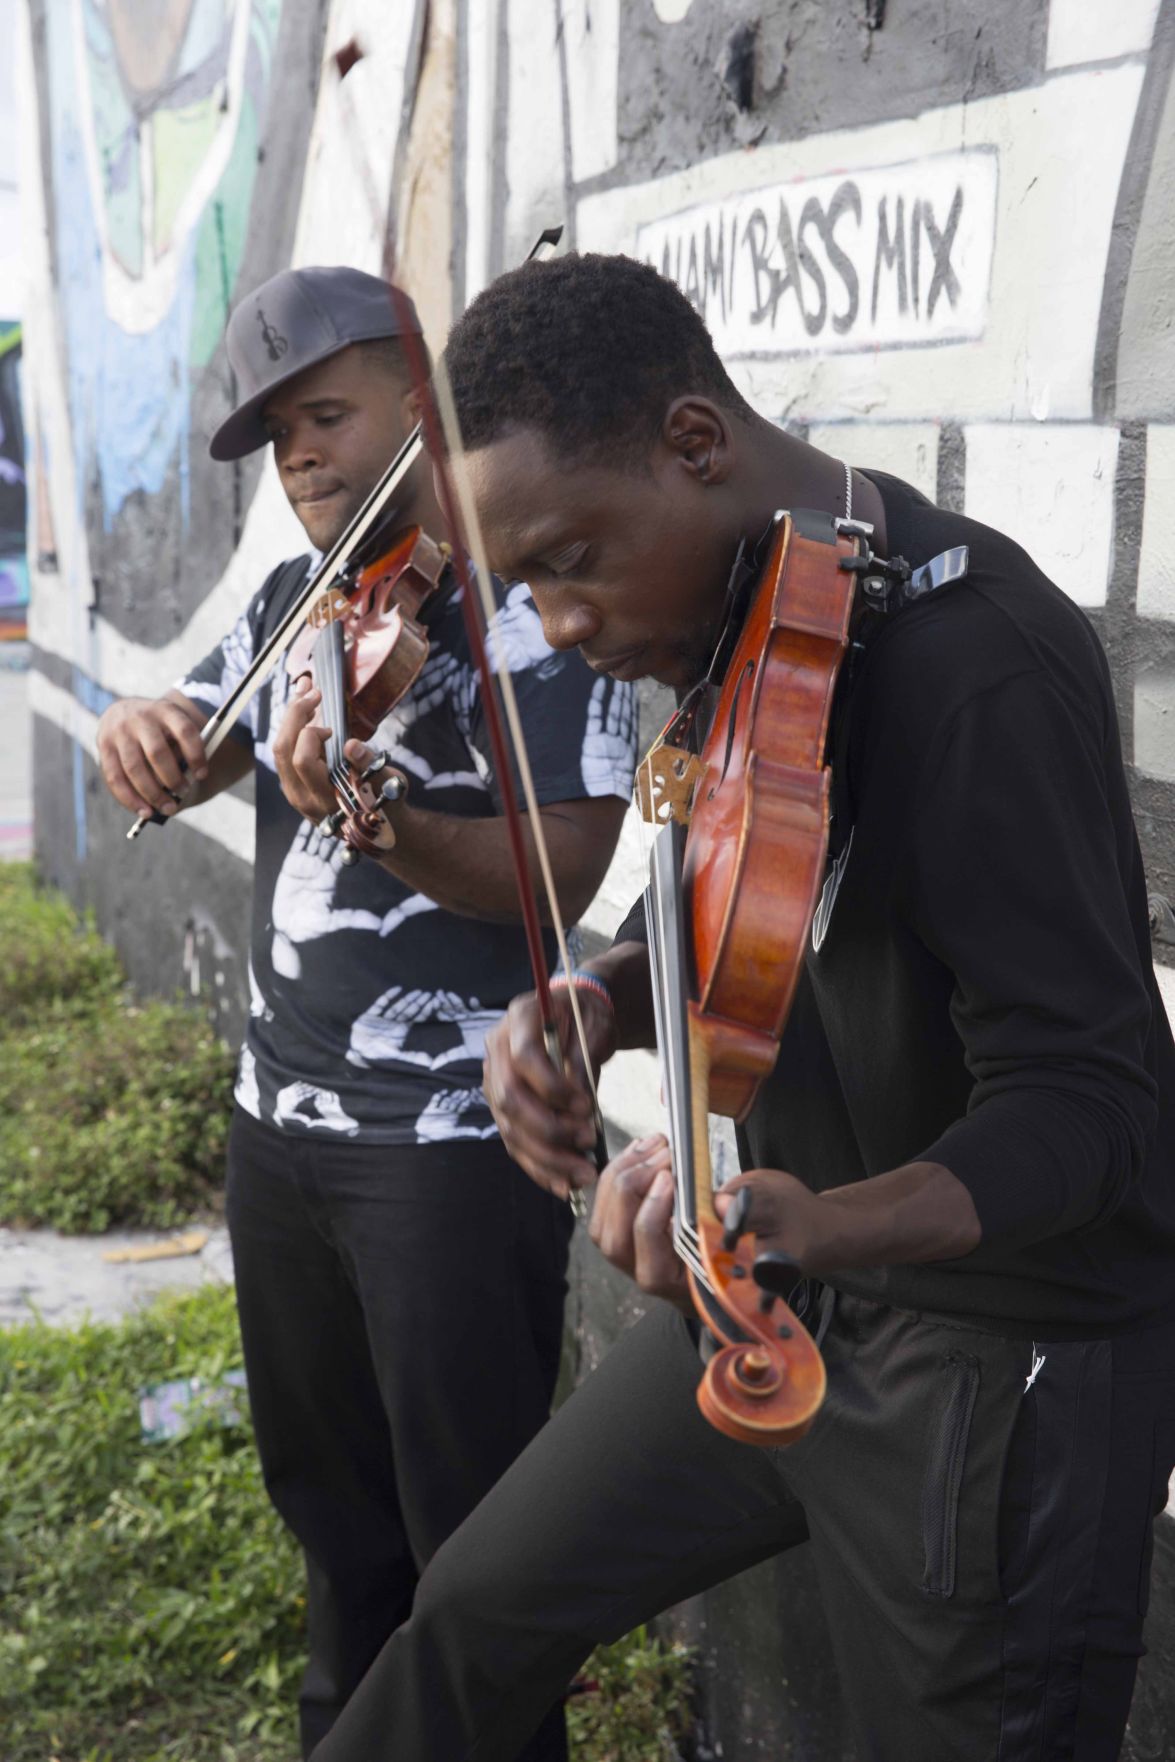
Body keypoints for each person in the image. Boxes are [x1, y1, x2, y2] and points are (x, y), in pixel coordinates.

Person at [306, 251, 1175, 1762]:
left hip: (997, 1362)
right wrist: (595, 998)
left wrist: (819, 1221)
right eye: (525, 586)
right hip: (781, 1297)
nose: (556, 623)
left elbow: (1093, 1104)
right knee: (474, 1613)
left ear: (694, 442)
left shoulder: (977, 669)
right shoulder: (748, 611)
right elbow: (736, 878)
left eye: (570, 559)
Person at [95, 264, 636, 1760]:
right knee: (333, 1524)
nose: (302, 459)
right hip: (280, 1130)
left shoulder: (538, 600)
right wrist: (145, 732)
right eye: (278, 438)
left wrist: (383, 825)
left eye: (327, 416)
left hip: (449, 1146)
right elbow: (201, 742)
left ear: (422, 397)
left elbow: (566, 867)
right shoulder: (301, 602)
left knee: (475, 1548)